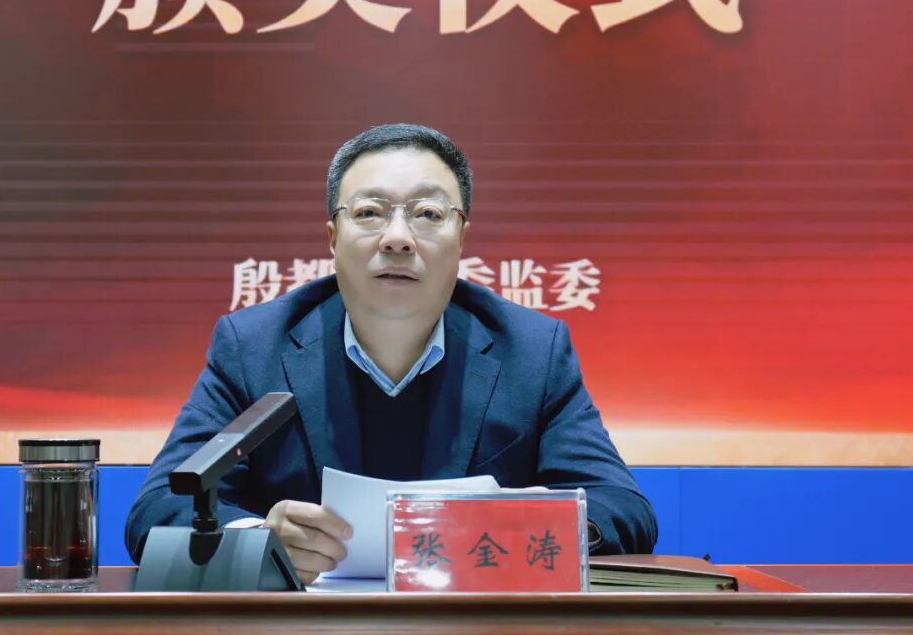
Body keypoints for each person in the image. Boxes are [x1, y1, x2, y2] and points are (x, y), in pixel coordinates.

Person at [126, 123, 657, 583]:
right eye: (370, 212)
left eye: (427, 213)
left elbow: (623, 509)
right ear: (332, 238)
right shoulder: (255, 346)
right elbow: (159, 510)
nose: (398, 238)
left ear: (461, 237)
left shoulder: (532, 352)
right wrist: (259, 541)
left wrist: (525, 528)